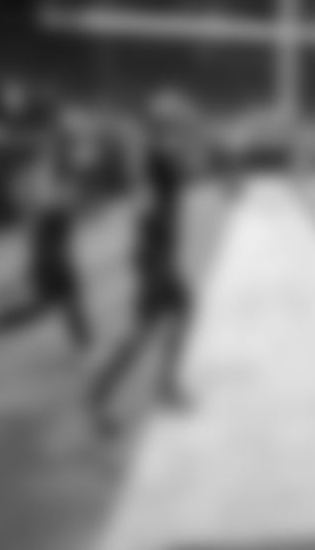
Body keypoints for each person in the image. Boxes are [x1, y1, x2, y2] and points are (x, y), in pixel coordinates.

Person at [88, 94, 195, 435]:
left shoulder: (162, 153)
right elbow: (142, 199)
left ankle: (165, 384)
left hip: (160, 250)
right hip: (154, 253)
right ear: (162, 122)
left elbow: (173, 181)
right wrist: (154, 244)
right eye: (176, 120)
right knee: (142, 329)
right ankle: (99, 395)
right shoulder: (149, 156)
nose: (181, 125)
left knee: (182, 311)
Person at [0, 120, 92, 352]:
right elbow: (26, 191)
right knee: (51, 275)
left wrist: (40, 201)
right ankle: (77, 329)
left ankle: (76, 329)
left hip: (54, 221)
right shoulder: (51, 161)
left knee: (54, 273)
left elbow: (69, 197)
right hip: (48, 221)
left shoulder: (64, 163)